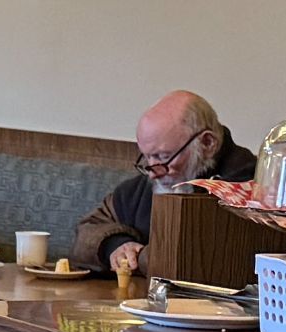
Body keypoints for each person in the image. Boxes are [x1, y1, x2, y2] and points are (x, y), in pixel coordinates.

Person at [77, 91, 253, 279]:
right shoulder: (144, 185)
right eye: (147, 156)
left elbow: (192, 259)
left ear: (208, 143)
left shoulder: (248, 187)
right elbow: (86, 232)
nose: (152, 172)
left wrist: (138, 257)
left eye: (163, 156)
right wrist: (115, 244)